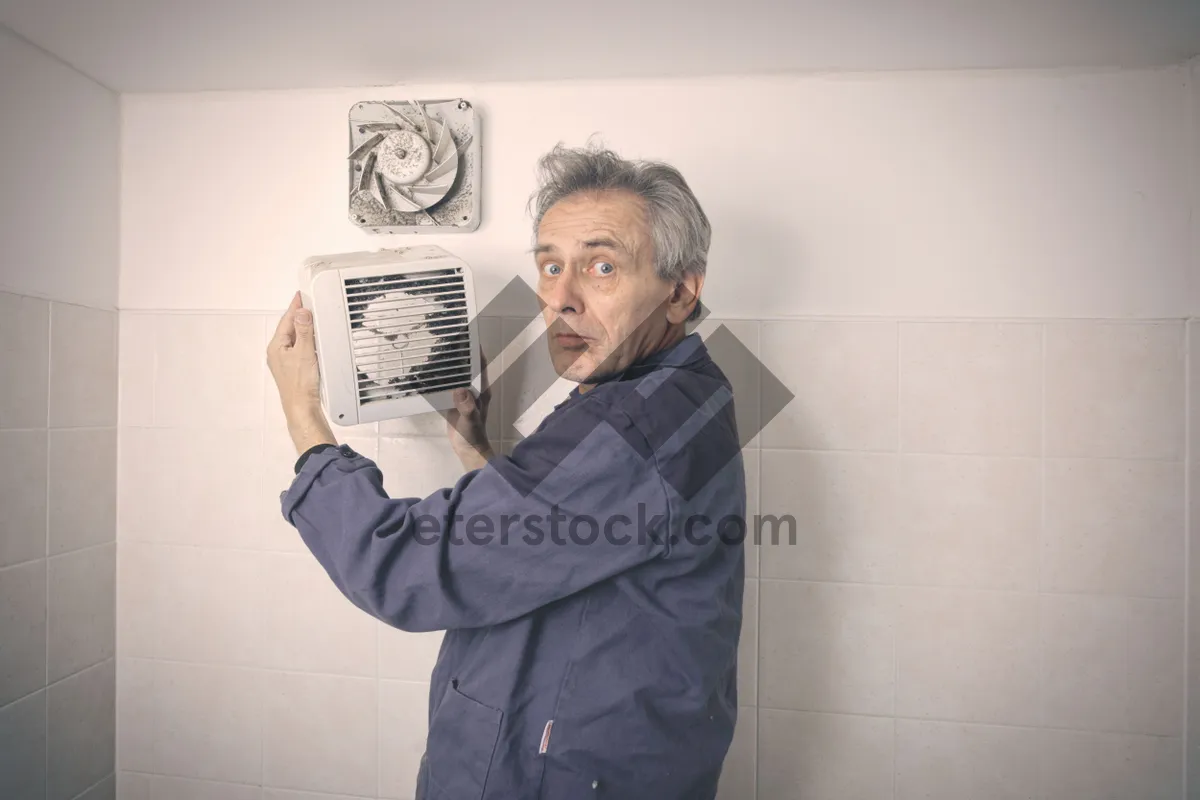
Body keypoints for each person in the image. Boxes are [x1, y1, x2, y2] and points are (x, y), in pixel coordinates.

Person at [266, 143, 747, 800]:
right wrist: (477, 451)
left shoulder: (631, 427)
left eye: (602, 266)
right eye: (551, 266)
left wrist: (302, 414)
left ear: (680, 291)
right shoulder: (680, 389)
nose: (562, 299)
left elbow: (404, 569)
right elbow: (578, 537)